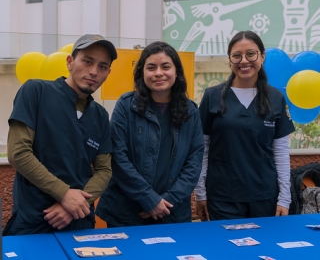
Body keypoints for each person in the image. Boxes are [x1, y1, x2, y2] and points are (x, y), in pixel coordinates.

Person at [3, 34, 117, 235]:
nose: (93, 71)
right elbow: (18, 152)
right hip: (34, 219)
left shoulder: (100, 115)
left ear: (108, 73)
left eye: (102, 66)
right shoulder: (36, 91)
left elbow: (104, 170)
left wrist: (74, 205)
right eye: (87, 61)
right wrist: (64, 193)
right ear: (70, 62)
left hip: (79, 220)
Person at [96, 41, 204, 226]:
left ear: (176, 71)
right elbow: (118, 157)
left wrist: (166, 202)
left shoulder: (191, 111)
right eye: (151, 67)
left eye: (166, 67)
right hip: (127, 212)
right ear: (142, 73)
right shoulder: (126, 105)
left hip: (173, 212)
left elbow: (193, 163)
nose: (159, 73)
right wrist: (149, 199)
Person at [195, 31, 295, 221]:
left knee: (266, 248)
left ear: (262, 56)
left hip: (265, 197)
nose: (244, 61)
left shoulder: (275, 98)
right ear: (229, 59)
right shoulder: (212, 96)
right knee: (226, 248)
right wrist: (200, 193)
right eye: (236, 55)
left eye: (251, 54)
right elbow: (202, 149)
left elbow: (281, 152)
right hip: (223, 197)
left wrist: (284, 198)